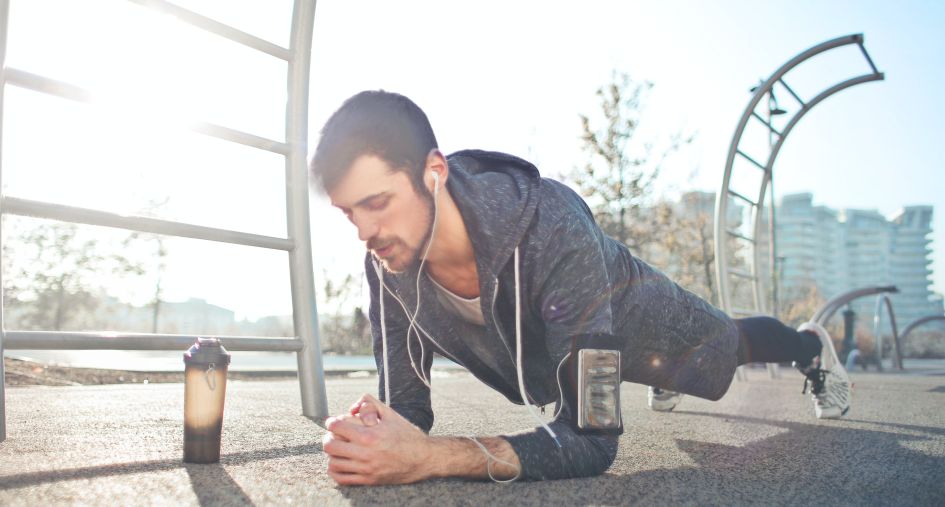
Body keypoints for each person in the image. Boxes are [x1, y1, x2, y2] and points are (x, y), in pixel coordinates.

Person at [310, 90, 851, 486]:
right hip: (576, 349)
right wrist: (372, 436)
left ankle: (810, 345)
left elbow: (591, 440)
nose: (365, 232)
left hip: (645, 322)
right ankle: (649, 376)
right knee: (617, 375)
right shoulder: (388, 259)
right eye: (348, 212)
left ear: (434, 172)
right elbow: (408, 407)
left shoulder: (552, 223)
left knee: (728, 347)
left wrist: (432, 457)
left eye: (377, 203)